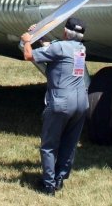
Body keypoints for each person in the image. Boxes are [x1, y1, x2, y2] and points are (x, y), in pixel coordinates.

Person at [20, 17, 88, 196]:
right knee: (69, 143)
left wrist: (27, 40)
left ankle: (48, 185)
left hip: (61, 102)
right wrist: (39, 36)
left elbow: (28, 55)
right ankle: (59, 178)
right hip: (81, 102)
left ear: (65, 32)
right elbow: (54, 47)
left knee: (49, 145)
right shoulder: (81, 49)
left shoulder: (59, 47)